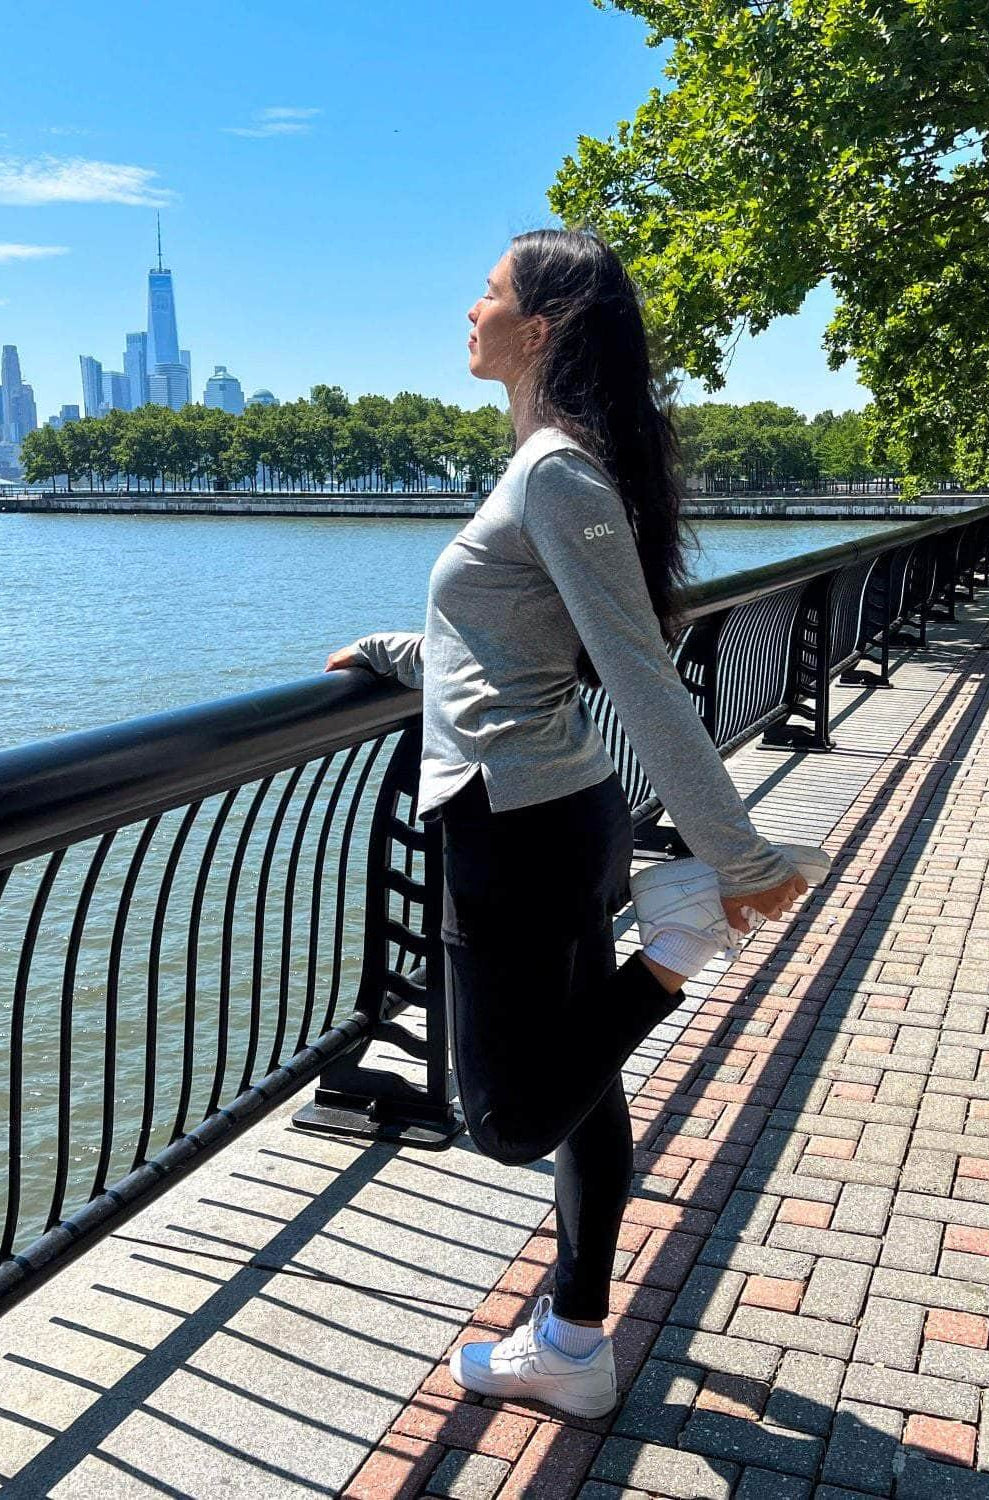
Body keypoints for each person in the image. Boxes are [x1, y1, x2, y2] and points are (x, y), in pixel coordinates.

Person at [324, 229, 827, 1420]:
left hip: (516, 830)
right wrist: (398, 654)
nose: (470, 306)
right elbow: (505, 642)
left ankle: (680, 944)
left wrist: (735, 858)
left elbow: (639, 674)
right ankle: (577, 1344)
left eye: (489, 293)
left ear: (537, 330)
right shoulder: (551, 466)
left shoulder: (556, 471)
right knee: (587, 1094)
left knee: (503, 1119)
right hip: (550, 815)